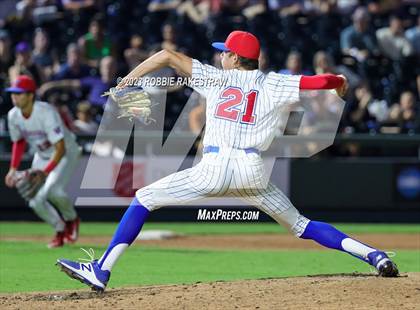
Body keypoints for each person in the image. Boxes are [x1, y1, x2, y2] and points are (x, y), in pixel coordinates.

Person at [57, 30, 399, 292]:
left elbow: (165, 55)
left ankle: (101, 269)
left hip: (214, 169)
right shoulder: (276, 83)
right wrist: (339, 83)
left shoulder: (215, 78)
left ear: (236, 59)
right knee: (301, 226)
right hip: (253, 173)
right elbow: (321, 81)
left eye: (225, 53)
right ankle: (374, 255)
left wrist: (125, 82)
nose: (221, 57)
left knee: (144, 199)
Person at [4, 75, 81, 248]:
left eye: (19, 93)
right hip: (42, 154)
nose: (14, 96)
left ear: (31, 95)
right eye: (13, 93)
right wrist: (13, 168)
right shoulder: (13, 115)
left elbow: (60, 147)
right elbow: (19, 141)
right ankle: (60, 229)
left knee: (54, 191)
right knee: (35, 201)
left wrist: (45, 172)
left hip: (67, 152)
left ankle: (71, 219)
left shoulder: (45, 112)